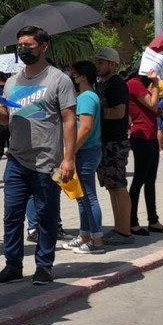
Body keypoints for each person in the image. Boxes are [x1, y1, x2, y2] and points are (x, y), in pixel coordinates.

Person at [0, 26, 77, 286]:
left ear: (44, 46)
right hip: (16, 159)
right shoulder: (13, 82)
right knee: (12, 215)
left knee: (46, 216)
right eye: (20, 45)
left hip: (47, 162)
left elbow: (69, 120)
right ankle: (13, 265)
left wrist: (68, 158)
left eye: (29, 44)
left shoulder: (59, 80)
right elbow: (7, 119)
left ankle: (44, 266)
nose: (23, 49)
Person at [94, 47, 133, 245]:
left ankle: (124, 230)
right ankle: (118, 227)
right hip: (105, 140)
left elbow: (119, 112)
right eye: (97, 62)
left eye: (101, 62)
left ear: (113, 64)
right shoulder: (102, 84)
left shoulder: (117, 84)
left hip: (115, 141)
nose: (97, 65)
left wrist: (97, 113)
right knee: (111, 186)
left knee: (118, 185)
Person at [65, 60, 105, 253]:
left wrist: (70, 150)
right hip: (86, 150)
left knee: (88, 196)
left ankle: (96, 241)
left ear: (83, 76)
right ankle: (85, 235)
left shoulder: (87, 97)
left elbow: (86, 127)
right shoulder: (86, 96)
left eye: (75, 72)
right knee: (82, 196)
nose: (72, 75)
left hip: (86, 151)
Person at [127, 68, 163, 234]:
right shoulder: (134, 84)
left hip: (150, 135)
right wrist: (154, 83)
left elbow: (150, 108)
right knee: (139, 179)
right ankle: (132, 221)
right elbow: (152, 104)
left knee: (150, 179)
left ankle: (153, 220)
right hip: (141, 136)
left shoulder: (143, 85)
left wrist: (158, 111)